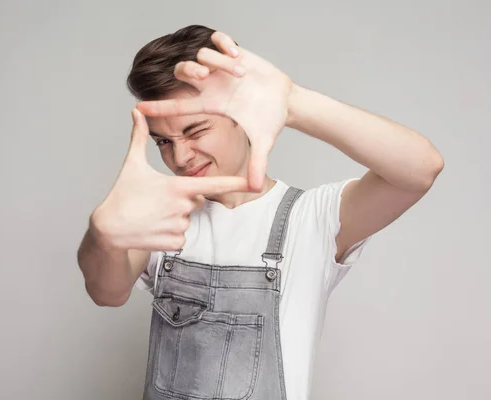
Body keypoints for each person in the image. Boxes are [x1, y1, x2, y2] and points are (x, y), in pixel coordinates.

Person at [77, 25, 444, 400]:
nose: (180, 157)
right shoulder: (163, 219)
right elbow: (107, 290)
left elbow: (420, 169)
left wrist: (293, 102)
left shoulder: (310, 218)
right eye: (163, 142)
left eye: (196, 130)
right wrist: (101, 235)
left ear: (242, 115)